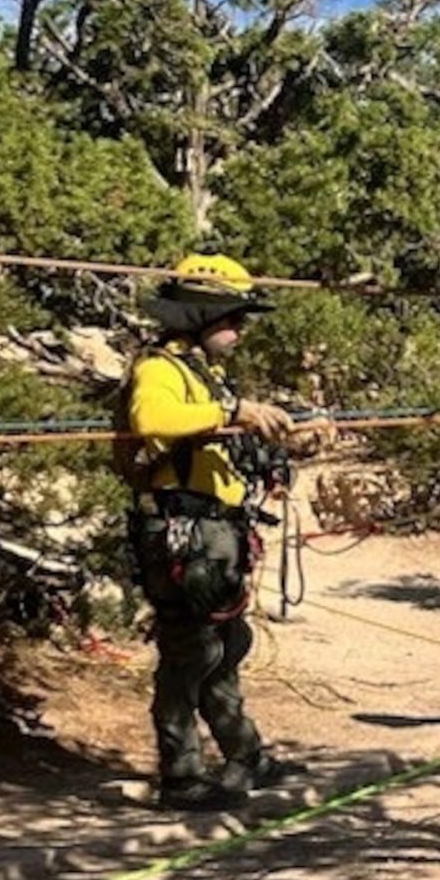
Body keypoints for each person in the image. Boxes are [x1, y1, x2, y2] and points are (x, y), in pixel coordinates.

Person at [117, 253, 301, 810]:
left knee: (226, 646)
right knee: (190, 651)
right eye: (231, 317)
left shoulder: (204, 376)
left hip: (215, 530)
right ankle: (182, 776)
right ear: (197, 317)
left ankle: (244, 753)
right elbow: (151, 419)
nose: (240, 329)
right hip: (181, 529)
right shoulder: (159, 369)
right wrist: (237, 410)